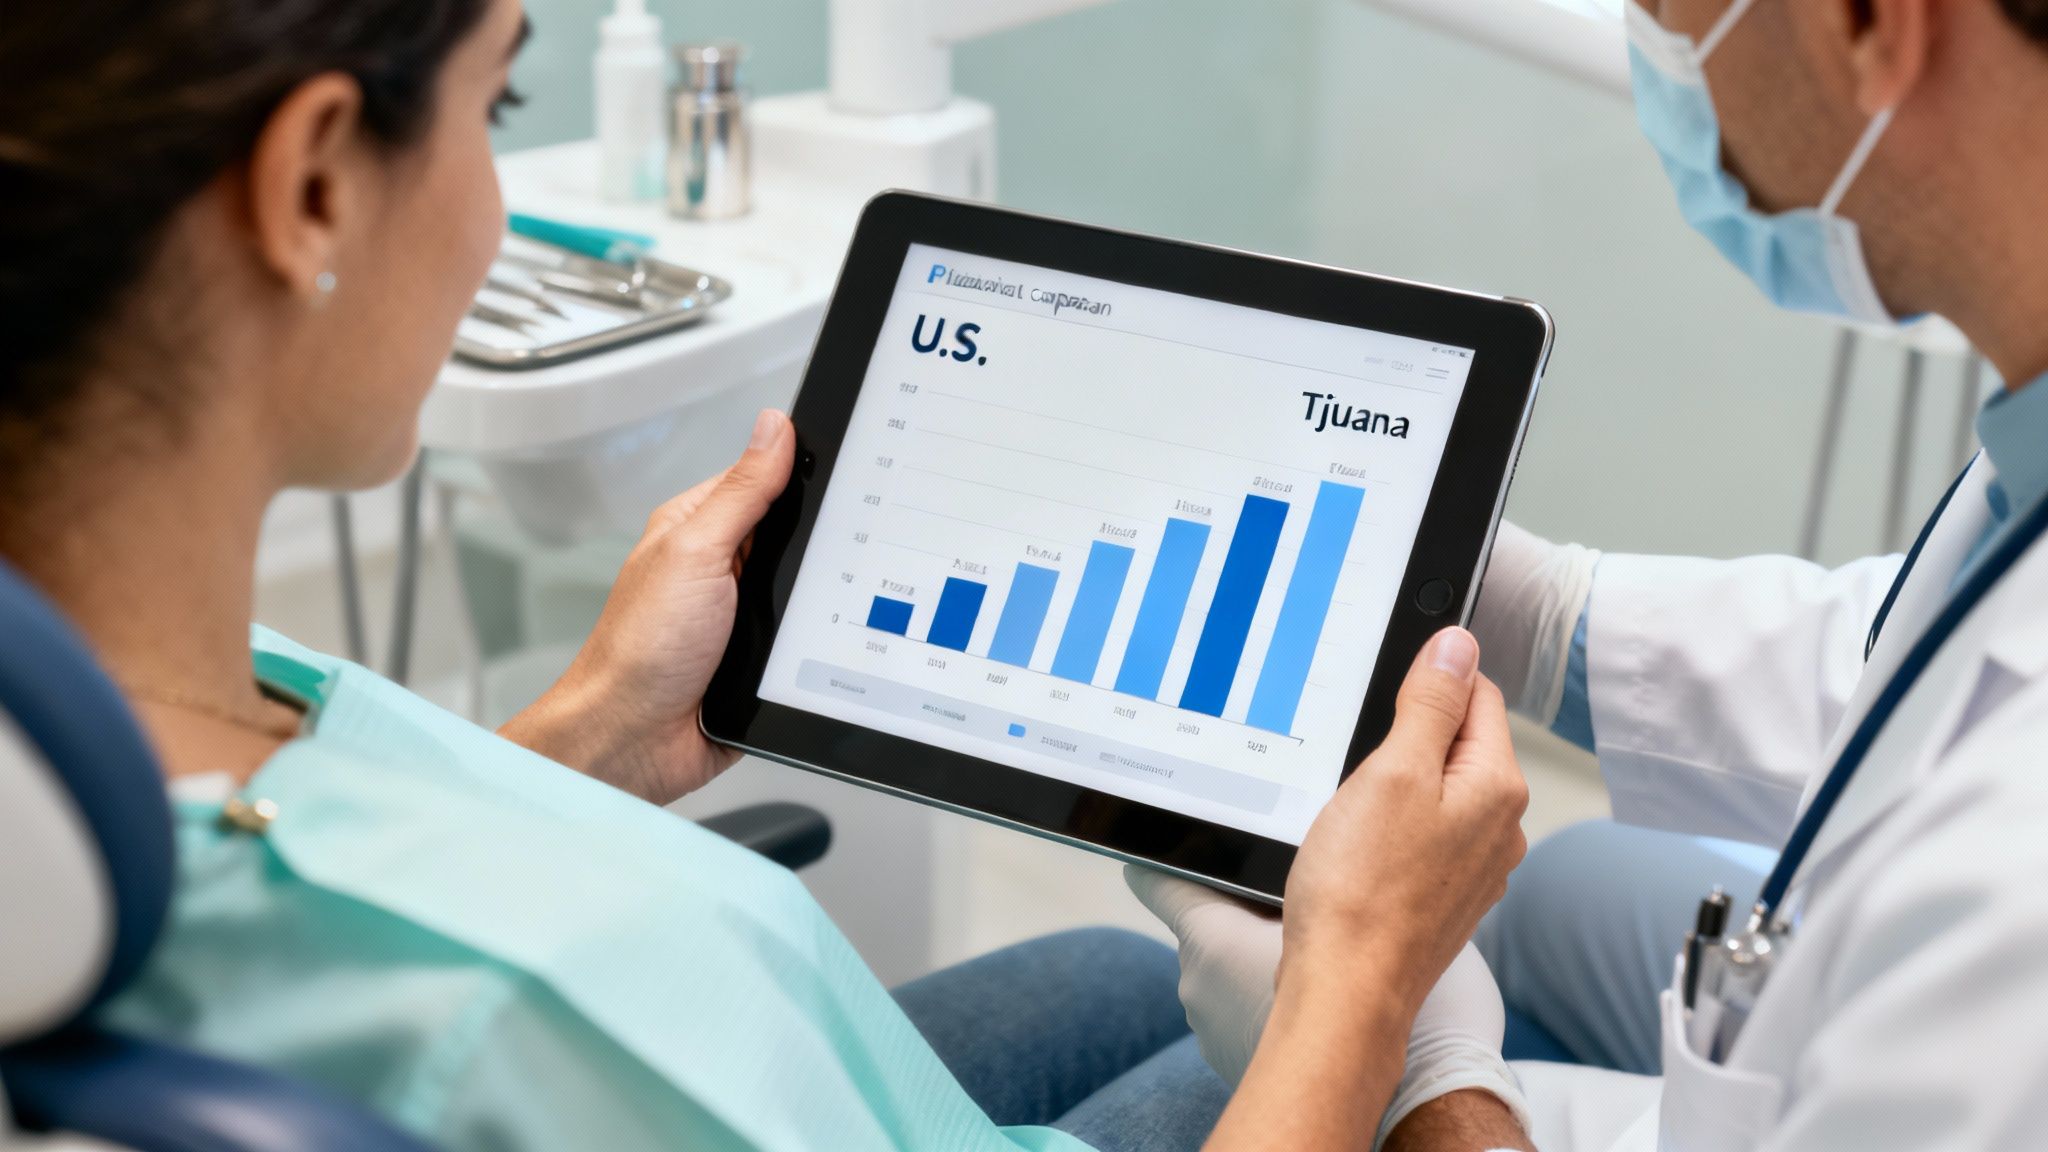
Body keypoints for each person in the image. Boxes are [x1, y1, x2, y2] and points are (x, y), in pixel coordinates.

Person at [0, 1, 1535, 1149]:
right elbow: (444, 964)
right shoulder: (515, 1019)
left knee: (1117, 976)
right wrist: (1368, 983)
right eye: (499, 99)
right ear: (315, 184)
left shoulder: (115, 671)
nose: (495, 200)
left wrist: (597, 730)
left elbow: (344, 861)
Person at [1131, 0, 2048, 1148]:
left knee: (1138, 1060)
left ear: (1872, 25)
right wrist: (1528, 611)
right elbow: (1932, 653)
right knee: (1568, 889)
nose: (1652, 39)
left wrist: (1402, 1071)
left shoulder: (2014, 922)